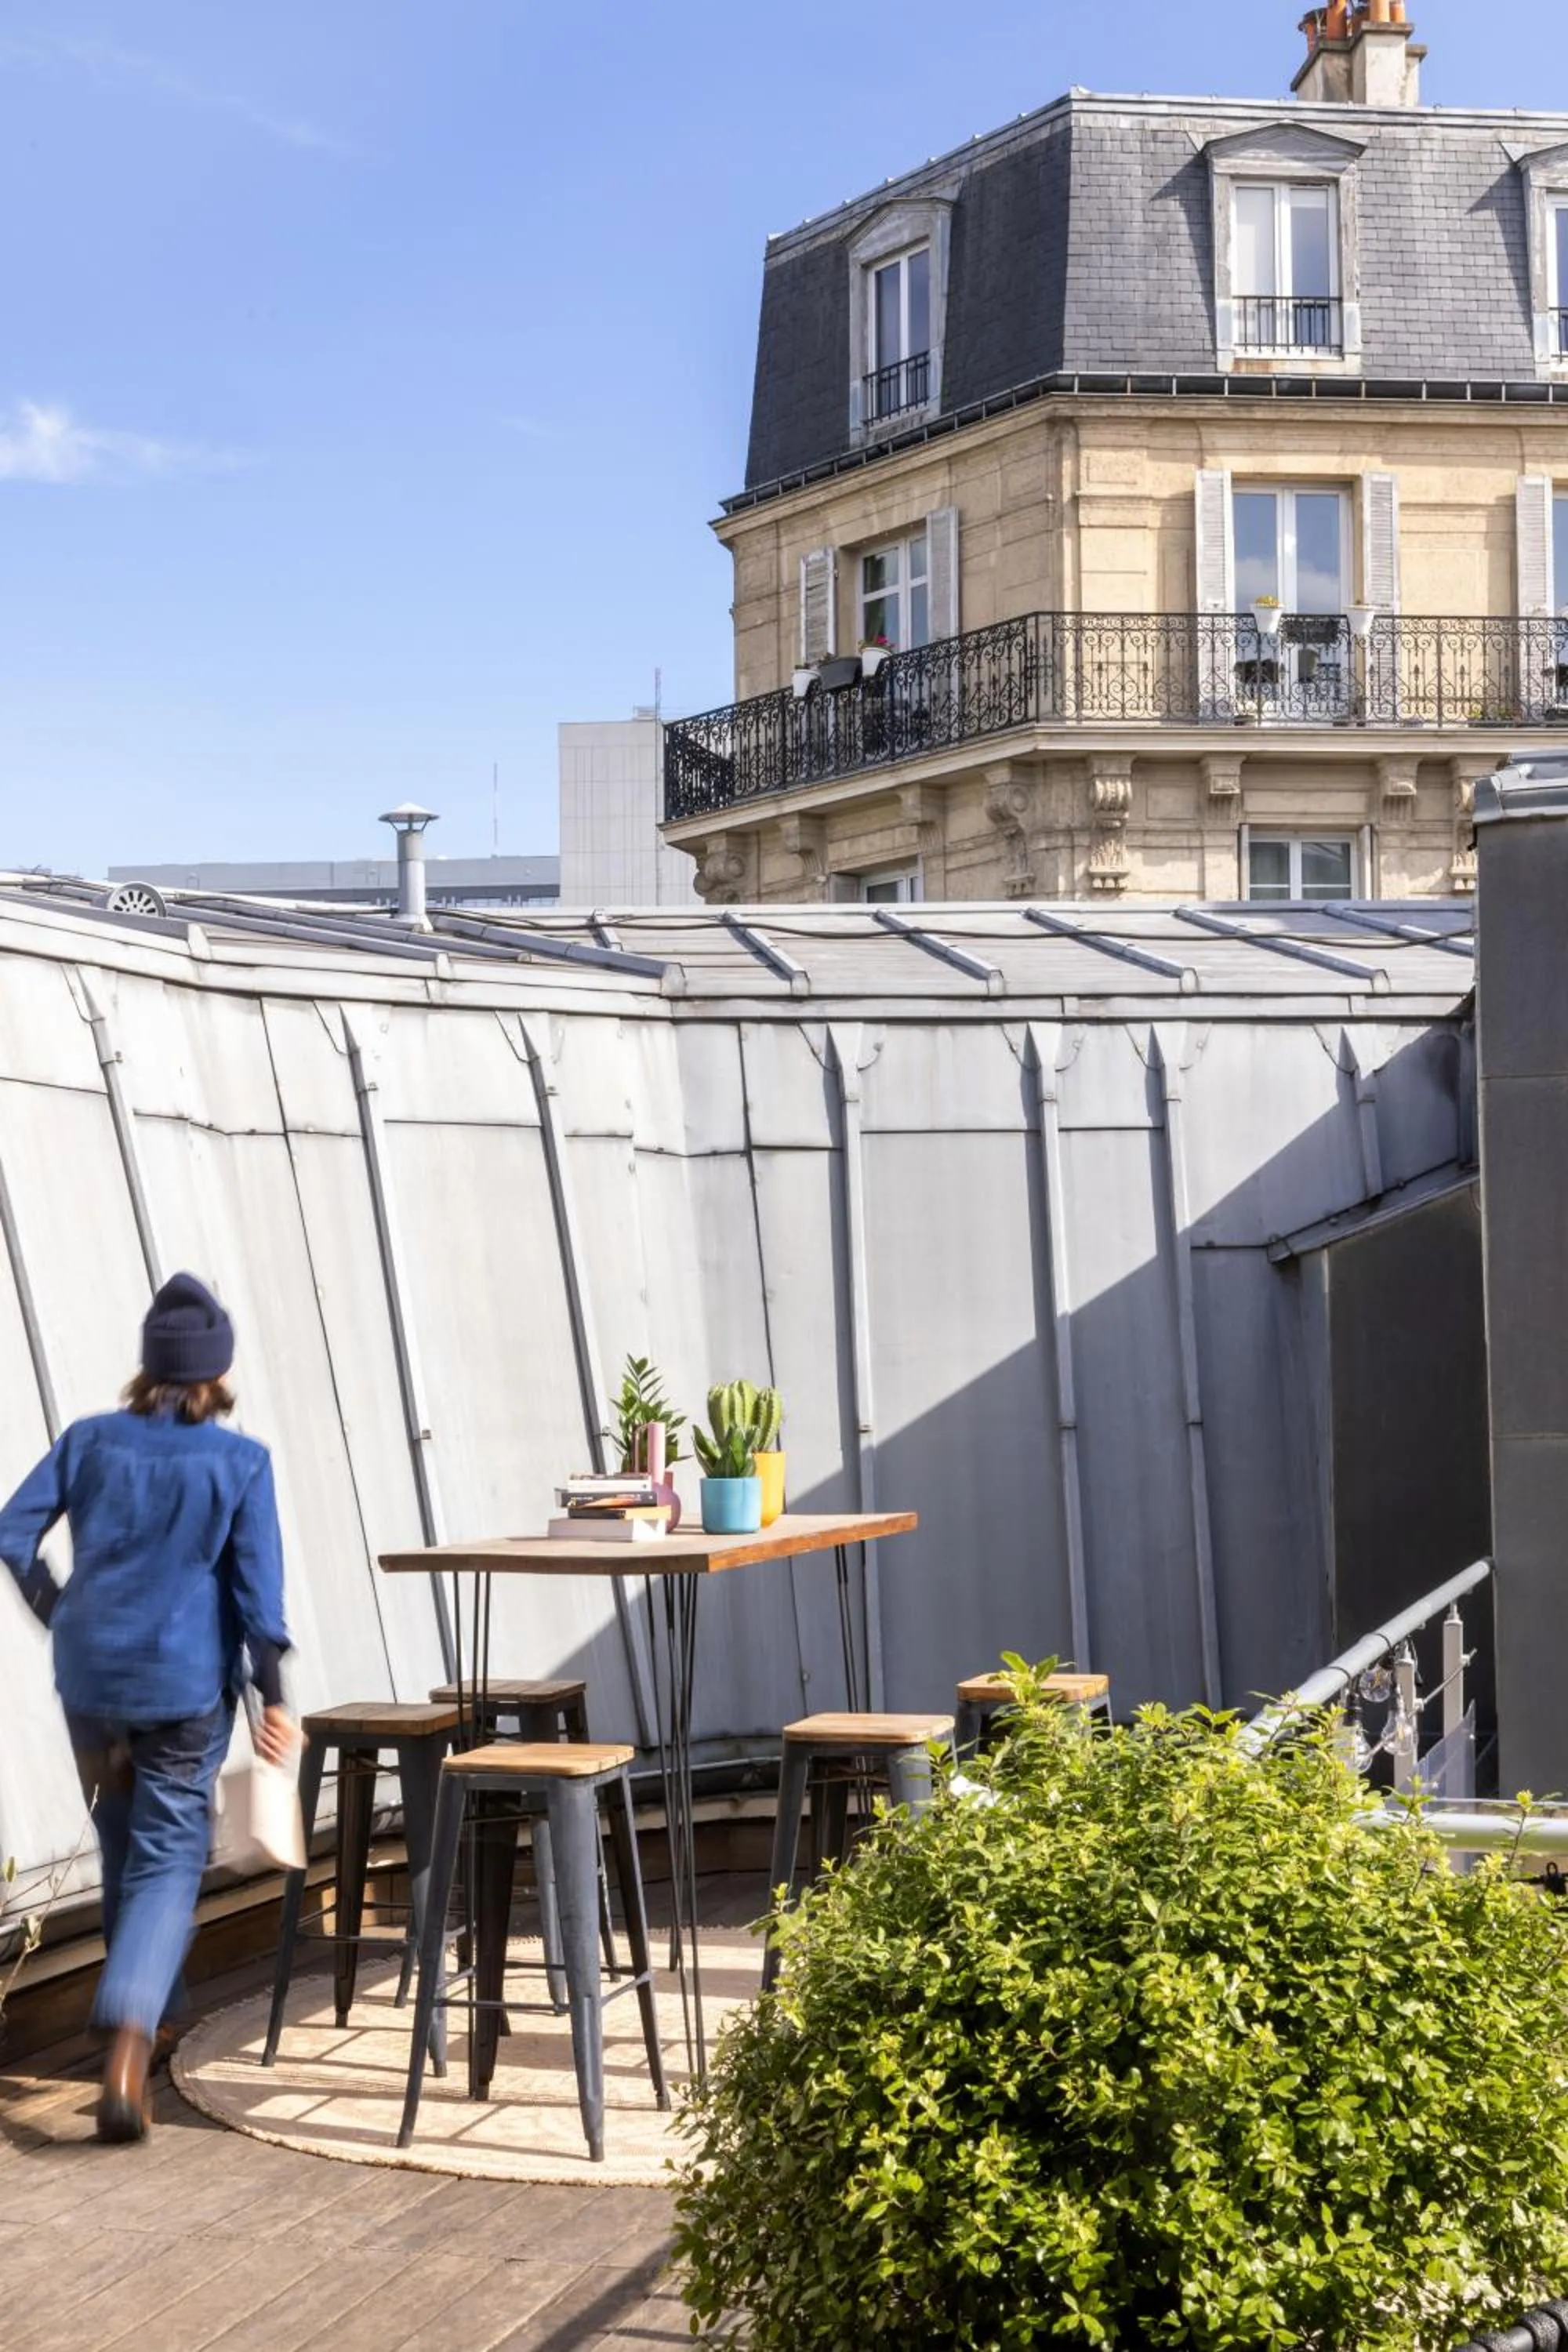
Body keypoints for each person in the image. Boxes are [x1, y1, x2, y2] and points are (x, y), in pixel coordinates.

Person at [0, 1272, 295, 2142]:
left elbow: (12, 1532)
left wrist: (61, 1610)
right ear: (218, 1371)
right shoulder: (239, 1464)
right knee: (168, 1859)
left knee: (124, 1839)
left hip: (89, 1680)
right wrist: (274, 1693)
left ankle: (161, 2013)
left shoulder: (90, 1442)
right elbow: (257, 1597)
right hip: (180, 1690)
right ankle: (127, 2048)